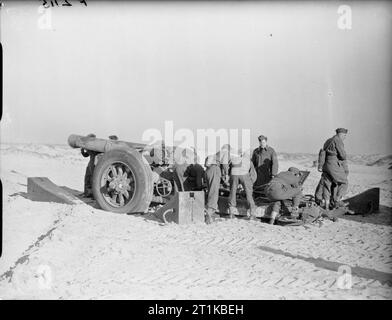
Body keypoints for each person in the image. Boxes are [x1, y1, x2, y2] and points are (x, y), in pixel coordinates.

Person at [320, 128, 349, 210]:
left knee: (327, 185)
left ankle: (326, 204)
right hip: (333, 164)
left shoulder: (328, 140)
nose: (345, 137)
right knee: (344, 182)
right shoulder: (338, 140)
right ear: (341, 134)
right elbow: (343, 155)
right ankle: (337, 201)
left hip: (326, 164)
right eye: (344, 135)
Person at [228, 149, 258, 220]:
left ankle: (231, 214)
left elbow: (229, 171)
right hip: (244, 175)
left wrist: (234, 182)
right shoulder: (249, 162)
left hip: (233, 174)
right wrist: (250, 184)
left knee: (232, 193)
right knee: (249, 194)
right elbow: (253, 175)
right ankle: (252, 215)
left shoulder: (235, 159)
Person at [204, 144, 231, 224]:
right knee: (214, 192)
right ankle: (209, 215)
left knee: (210, 191)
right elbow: (225, 164)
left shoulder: (216, 155)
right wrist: (226, 175)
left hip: (208, 171)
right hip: (215, 170)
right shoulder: (225, 152)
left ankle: (210, 212)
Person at [81, 133, 99, 198]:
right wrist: (82, 150)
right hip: (90, 164)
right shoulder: (90, 146)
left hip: (94, 164)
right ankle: (87, 193)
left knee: (92, 179)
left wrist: (87, 148)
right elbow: (86, 155)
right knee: (87, 179)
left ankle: (94, 195)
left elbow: (94, 153)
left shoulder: (96, 146)